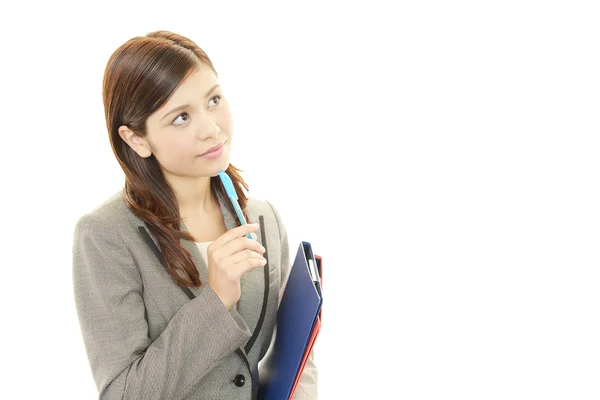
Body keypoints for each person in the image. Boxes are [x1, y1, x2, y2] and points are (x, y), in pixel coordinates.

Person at [72, 30, 318, 400]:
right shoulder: (105, 235)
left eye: (213, 99)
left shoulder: (263, 219)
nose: (211, 128)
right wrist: (216, 301)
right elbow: (122, 394)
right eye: (181, 117)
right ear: (136, 139)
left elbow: (297, 358)